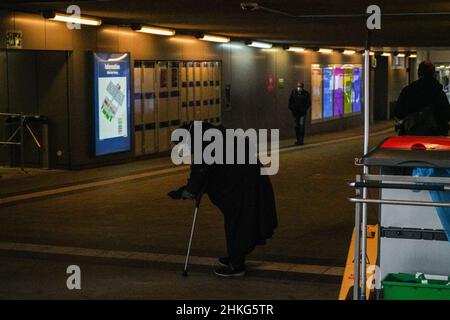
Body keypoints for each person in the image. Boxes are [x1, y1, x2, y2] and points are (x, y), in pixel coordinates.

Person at [168, 122, 278, 277]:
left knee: (237, 223)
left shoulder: (205, 144)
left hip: (243, 186)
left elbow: (201, 171)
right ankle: (235, 256)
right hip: (247, 182)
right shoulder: (212, 135)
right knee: (238, 222)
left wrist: (188, 192)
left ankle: (236, 265)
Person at [394, 60, 450, 136]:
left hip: (411, 134)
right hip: (435, 135)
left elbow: (398, 112)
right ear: (433, 74)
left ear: (418, 73)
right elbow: (446, 114)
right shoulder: (439, 92)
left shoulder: (408, 90)